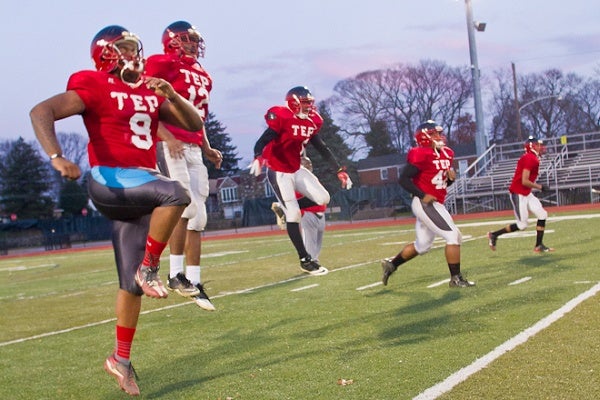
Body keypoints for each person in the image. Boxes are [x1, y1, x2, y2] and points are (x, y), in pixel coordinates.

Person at [30, 25, 204, 396]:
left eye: (134, 47)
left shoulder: (148, 89)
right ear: (106, 52)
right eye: (124, 46)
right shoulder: (93, 84)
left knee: (130, 287)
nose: (132, 53)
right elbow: (41, 110)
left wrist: (171, 93)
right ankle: (151, 267)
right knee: (176, 193)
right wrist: (57, 157)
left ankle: (120, 360)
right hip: (109, 180)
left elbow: (194, 124)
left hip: (140, 189)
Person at [145, 20, 222, 311]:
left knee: (199, 216)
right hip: (171, 143)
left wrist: (207, 147)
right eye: (187, 38)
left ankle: (194, 279)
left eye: (194, 39)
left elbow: (197, 117)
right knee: (184, 207)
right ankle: (174, 274)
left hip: (192, 146)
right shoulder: (160, 63)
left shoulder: (202, 74)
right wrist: (164, 136)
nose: (192, 43)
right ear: (173, 41)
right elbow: (146, 104)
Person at [251, 86, 352, 276]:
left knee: (323, 198)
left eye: (309, 103)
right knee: (295, 215)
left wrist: (339, 170)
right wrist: (258, 156)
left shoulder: (312, 121)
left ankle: (284, 208)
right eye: (305, 103)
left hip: (296, 169)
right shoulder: (282, 117)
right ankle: (305, 259)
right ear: (293, 103)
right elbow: (264, 139)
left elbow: (321, 147)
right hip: (279, 171)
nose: (308, 107)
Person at [381, 120, 475, 288]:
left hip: (436, 203)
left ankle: (392, 264)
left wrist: (451, 180)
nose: (439, 136)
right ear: (424, 137)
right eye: (433, 134)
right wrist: (422, 194)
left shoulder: (447, 153)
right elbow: (403, 179)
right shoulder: (420, 153)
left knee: (422, 245)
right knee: (453, 236)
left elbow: (442, 183)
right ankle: (455, 279)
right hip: (425, 204)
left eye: (439, 133)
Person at [487, 136, 554, 253]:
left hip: (526, 192)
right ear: (532, 146)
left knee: (542, 214)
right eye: (538, 145)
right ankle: (494, 235)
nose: (541, 147)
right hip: (518, 193)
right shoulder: (530, 158)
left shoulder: (532, 157)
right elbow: (524, 181)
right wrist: (540, 187)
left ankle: (538, 245)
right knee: (522, 225)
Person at [272, 156, 327, 263]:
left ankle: (314, 259)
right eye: (306, 163)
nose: (309, 165)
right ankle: (310, 261)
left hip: (320, 212)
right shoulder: (298, 181)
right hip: (309, 213)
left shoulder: (311, 178)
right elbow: (297, 199)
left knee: (318, 239)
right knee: (310, 239)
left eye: (310, 163)